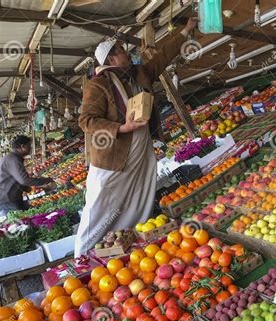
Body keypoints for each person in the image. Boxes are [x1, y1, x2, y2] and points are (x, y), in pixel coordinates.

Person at [75, 17, 198, 257]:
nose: (127, 53)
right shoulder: (98, 85)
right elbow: (86, 121)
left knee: (140, 193)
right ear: (111, 59)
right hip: (114, 156)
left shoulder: (138, 74)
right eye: (121, 51)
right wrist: (121, 128)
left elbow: (162, 57)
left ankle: (131, 240)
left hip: (140, 149)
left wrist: (185, 32)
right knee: (102, 205)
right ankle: (83, 253)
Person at [0, 135, 55, 217]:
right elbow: (24, 180)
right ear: (23, 146)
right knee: (18, 222)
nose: (31, 148)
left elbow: (16, 179)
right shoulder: (13, 159)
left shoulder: (11, 158)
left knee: (26, 216)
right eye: (29, 145)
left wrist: (30, 189)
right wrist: (46, 180)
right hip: (7, 199)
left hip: (11, 197)